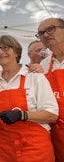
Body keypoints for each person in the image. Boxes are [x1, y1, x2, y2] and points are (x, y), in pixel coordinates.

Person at [0, 35, 58, 161]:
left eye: (6, 47)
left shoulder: (34, 77)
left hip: (33, 148)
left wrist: (22, 115)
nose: (0, 52)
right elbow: (0, 117)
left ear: (17, 52)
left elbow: (52, 115)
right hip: (3, 148)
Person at [37, 17, 64, 162]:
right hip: (55, 134)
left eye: (50, 29)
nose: (45, 35)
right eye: (41, 33)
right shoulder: (45, 64)